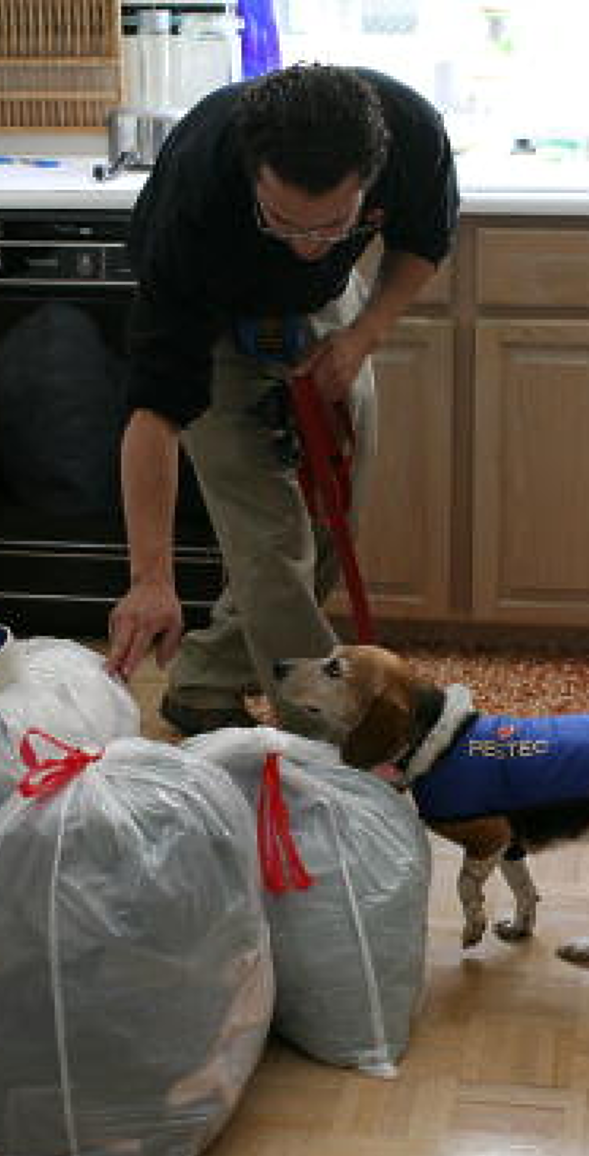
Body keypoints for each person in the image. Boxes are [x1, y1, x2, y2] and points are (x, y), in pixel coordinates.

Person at [104, 63, 459, 737]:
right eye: (281, 220)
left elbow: (424, 242)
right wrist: (150, 578)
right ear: (251, 173)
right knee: (274, 545)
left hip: (333, 310)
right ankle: (337, 741)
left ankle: (204, 682)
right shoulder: (194, 199)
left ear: (369, 178)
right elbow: (155, 412)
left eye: (331, 223)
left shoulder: (411, 132)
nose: (304, 244)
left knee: (332, 524)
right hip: (216, 326)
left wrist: (362, 336)